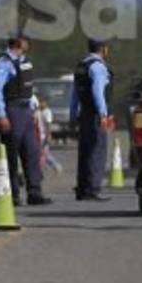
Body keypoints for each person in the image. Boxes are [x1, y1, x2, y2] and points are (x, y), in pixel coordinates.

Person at [0, 34, 51, 205]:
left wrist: (33, 110)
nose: (29, 44)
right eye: (25, 41)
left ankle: (34, 192)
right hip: (12, 110)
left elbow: (28, 90)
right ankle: (12, 194)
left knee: (31, 151)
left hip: (25, 111)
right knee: (11, 154)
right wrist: (2, 115)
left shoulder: (25, 62)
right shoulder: (3, 64)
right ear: (17, 43)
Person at [72, 38, 115, 202]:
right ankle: (92, 189)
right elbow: (98, 92)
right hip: (95, 114)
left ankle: (82, 189)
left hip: (84, 113)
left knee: (85, 152)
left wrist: (73, 113)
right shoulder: (98, 67)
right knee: (97, 151)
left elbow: (75, 94)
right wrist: (103, 114)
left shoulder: (81, 66)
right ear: (104, 49)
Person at [32, 91, 62, 175]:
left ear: (46, 102)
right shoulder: (37, 111)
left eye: (42, 102)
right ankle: (40, 169)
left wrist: (48, 135)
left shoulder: (47, 112)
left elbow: (48, 125)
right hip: (37, 136)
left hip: (44, 136)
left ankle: (55, 165)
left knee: (44, 154)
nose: (40, 104)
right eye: (39, 102)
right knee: (39, 154)